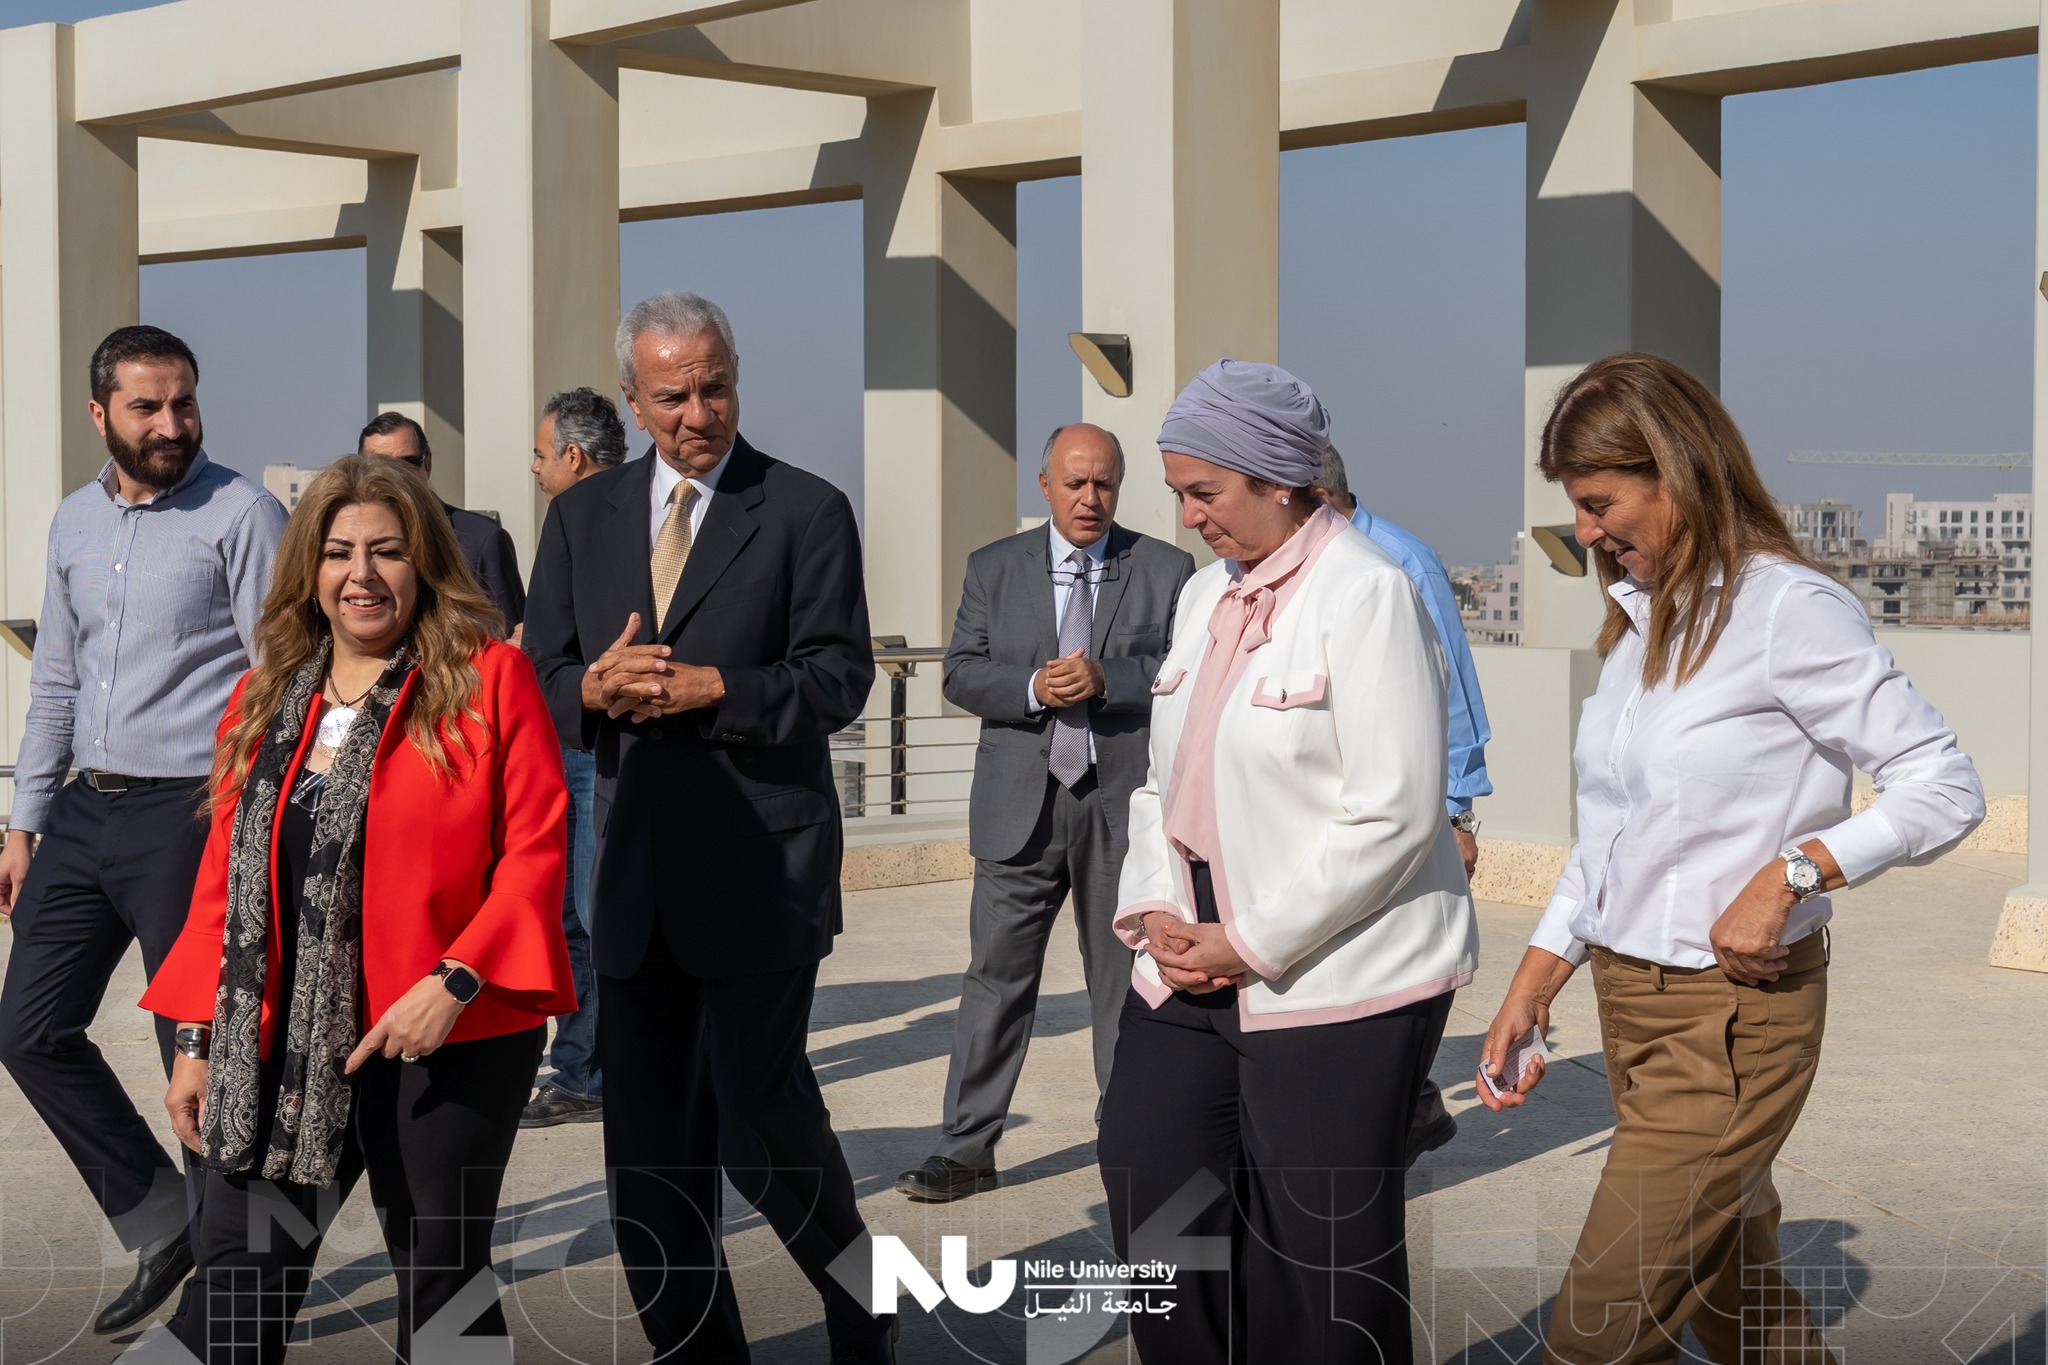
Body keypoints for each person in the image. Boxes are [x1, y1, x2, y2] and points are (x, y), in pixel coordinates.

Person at [1475, 353, 1984, 1365]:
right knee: (1733, 1300)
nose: (1584, 531)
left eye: (1597, 503)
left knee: (1593, 1333)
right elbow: (1613, 833)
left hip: (1731, 1017)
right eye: (1575, 506)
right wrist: (1535, 979)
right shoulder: (1636, 623)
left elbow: (1942, 783)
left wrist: (1791, 874)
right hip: (1632, 1007)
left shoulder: (1785, 608)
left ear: (1674, 472)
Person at [523, 292, 893, 1362]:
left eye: (715, 387)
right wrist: (591, 690)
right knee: (649, 1165)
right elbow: (540, 675)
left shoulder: (806, 508)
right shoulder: (581, 518)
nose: (698, 413)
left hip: (762, 876)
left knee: (761, 1127)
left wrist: (714, 688)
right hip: (632, 882)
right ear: (632, 402)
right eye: (673, 395)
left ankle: (866, 1302)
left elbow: (839, 677)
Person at [142, 454, 574, 1365]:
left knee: (442, 1281)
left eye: (388, 550)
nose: (362, 574)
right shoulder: (263, 696)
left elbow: (535, 853)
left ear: (426, 563)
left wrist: (454, 981)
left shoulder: (489, 679)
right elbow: (222, 887)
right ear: (311, 568)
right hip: (278, 1045)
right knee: (238, 1278)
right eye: (339, 552)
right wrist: (194, 1041)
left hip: (447, 1038)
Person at [1097, 360, 1478, 1364]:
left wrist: (1250, 941)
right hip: (1185, 957)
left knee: (1318, 1262)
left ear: (1276, 480)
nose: (1187, 518)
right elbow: (1159, 783)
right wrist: (1155, 909)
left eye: (1204, 493)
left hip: (1332, 974)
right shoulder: (1201, 597)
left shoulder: (1369, 593)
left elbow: (1394, 814)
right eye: (1177, 493)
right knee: (1150, 1180)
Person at [0, 325, 286, 1336]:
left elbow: (279, 677)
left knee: (196, 1058)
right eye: (146, 406)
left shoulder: (242, 513)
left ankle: (230, 1290)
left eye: (184, 403)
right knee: (27, 1029)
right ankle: (162, 1218)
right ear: (100, 414)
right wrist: (24, 823)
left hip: (193, 813)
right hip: (84, 811)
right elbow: (56, 682)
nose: (171, 424)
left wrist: (253, 823)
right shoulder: (73, 520)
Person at [897, 423, 1194, 1202]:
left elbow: (1185, 670)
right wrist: (1032, 687)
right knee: (994, 979)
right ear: (1045, 486)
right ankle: (965, 1147)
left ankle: (1129, 1142)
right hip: (1017, 809)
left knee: (1123, 984)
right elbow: (960, 673)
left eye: (1104, 484)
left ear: (1119, 487)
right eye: (1075, 483)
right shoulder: (992, 567)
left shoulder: (1166, 569)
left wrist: (1108, 678)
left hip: (1119, 809)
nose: (1089, 498)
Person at [1312, 443, 1492, 1165]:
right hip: (1333, 807)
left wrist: (1457, 812)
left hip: (1406, 810)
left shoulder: (1401, 561)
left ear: (1318, 496)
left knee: (1397, 966)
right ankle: (1405, 1108)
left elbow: (1455, 693)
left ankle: (1406, 1109)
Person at [521, 386, 628, 1129]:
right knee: (570, 914)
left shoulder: (619, 516)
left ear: (573, 456)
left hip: (601, 744)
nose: (534, 468)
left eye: (539, 454)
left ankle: (595, 1069)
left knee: (591, 914)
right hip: (567, 738)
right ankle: (585, 1063)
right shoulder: (578, 519)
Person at [357, 411, 525, 634]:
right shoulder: (338, 537)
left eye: (408, 463)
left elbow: (514, 636)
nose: (397, 476)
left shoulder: (481, 539)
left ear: (427, 463)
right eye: (382, 465)